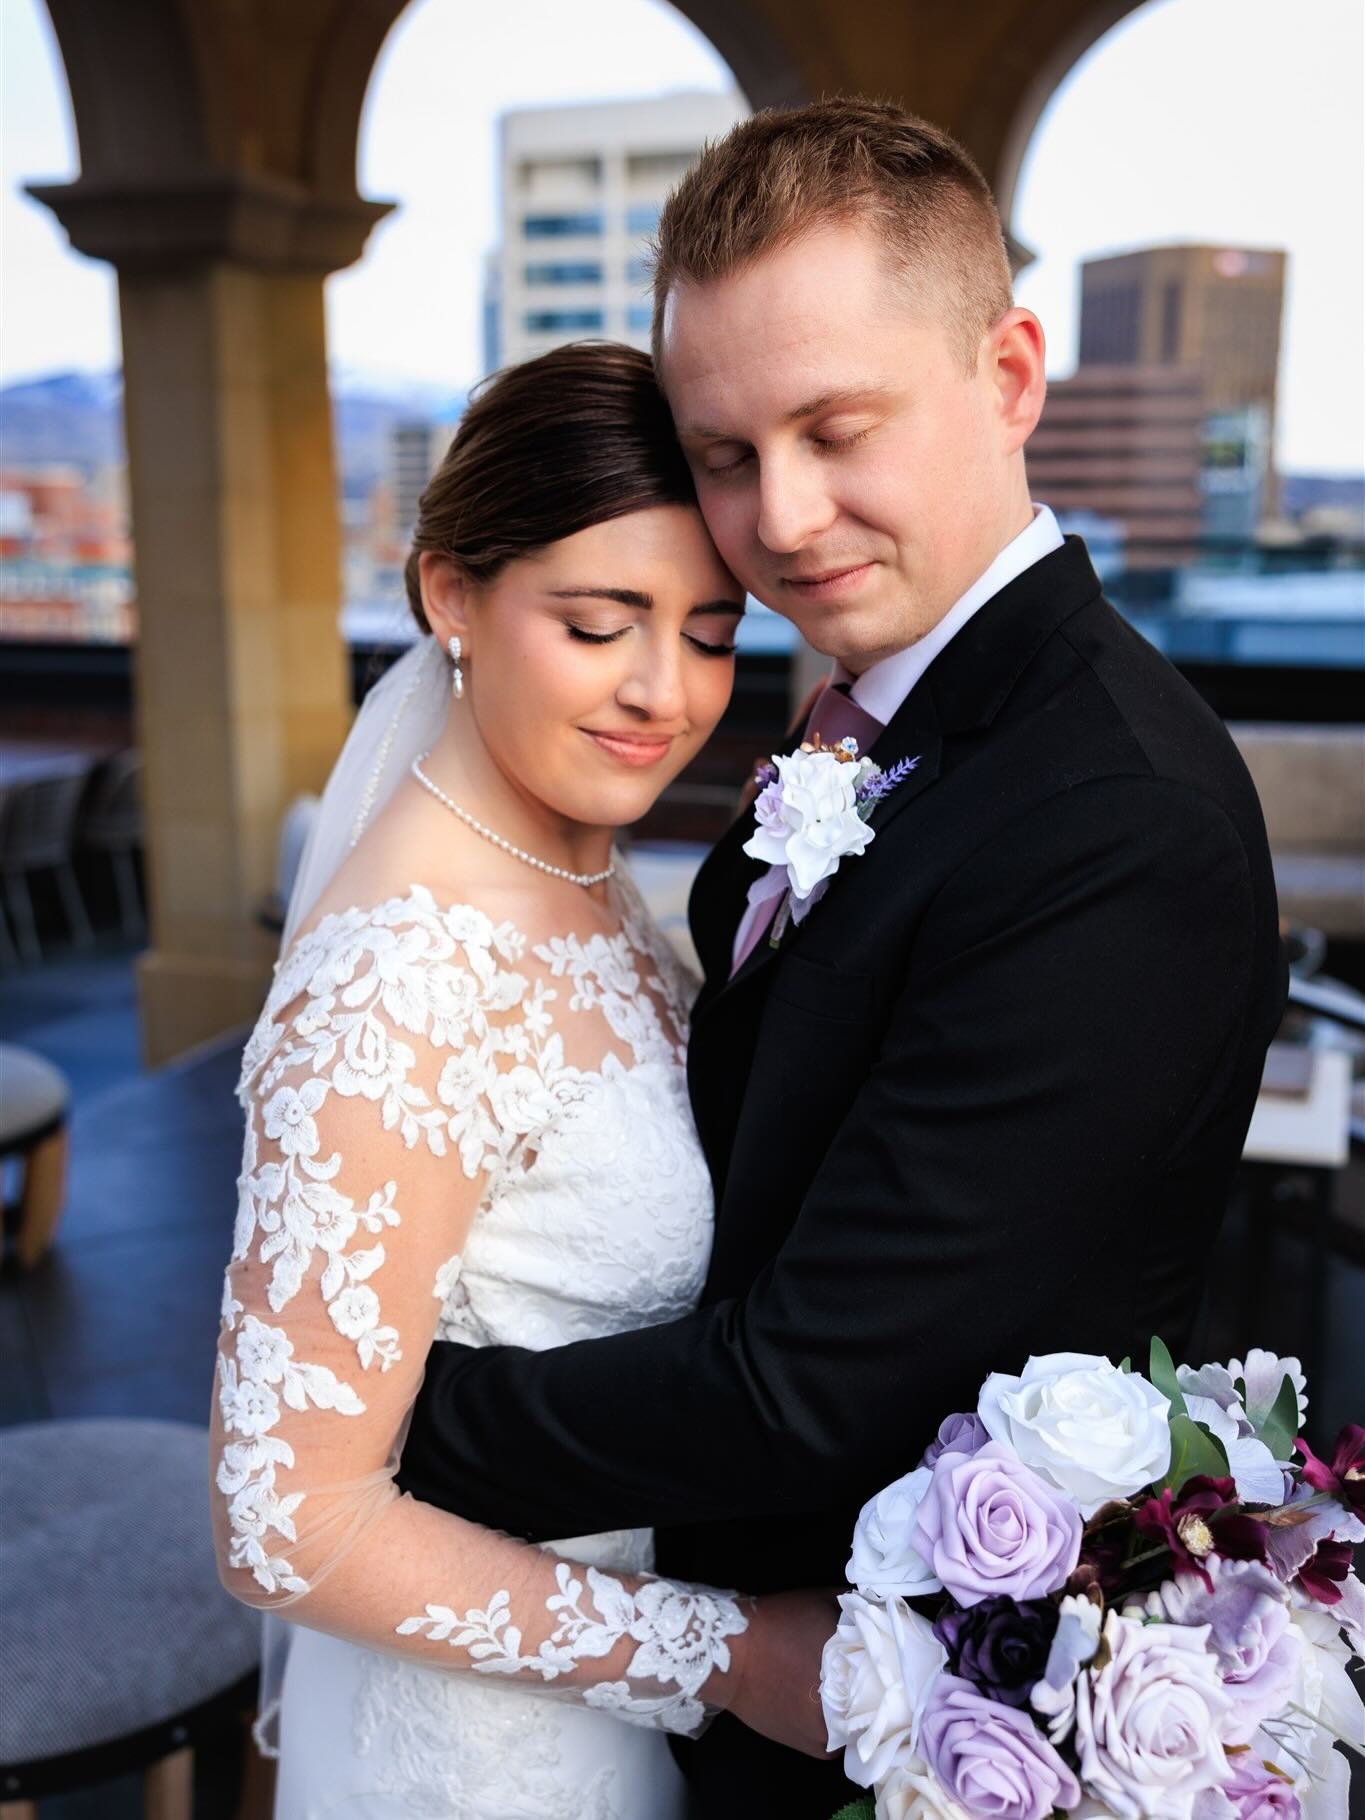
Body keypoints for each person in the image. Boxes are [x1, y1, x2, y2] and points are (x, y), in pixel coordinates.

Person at [394, 99, 1287, 1815]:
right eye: (723, 454)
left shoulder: (1116, 818)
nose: (779, 520)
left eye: (834, 427)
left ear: (1011, 374)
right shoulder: (873, 722)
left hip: (896, 1702)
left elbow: (815, 1384)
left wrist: (374, 1417)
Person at [210, 341, 810, 1817]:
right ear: (448, 595)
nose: (665, 694)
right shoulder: (399, 979)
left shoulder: (580, 864)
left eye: (710, 630)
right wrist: (727, 1658)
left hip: (597, 1697)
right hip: (475, 1754)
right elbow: (284, 1520)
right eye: (601, 622)